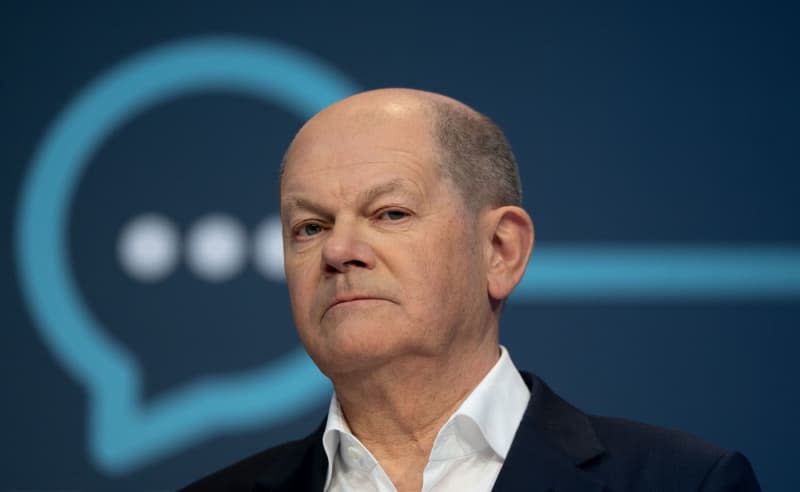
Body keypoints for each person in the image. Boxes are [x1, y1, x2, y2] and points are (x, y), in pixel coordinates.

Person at [182, 88, 760, 491]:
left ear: (500, 250)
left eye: (390, 213)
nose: (338, 251)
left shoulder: (683, 482)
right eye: (310, 227)